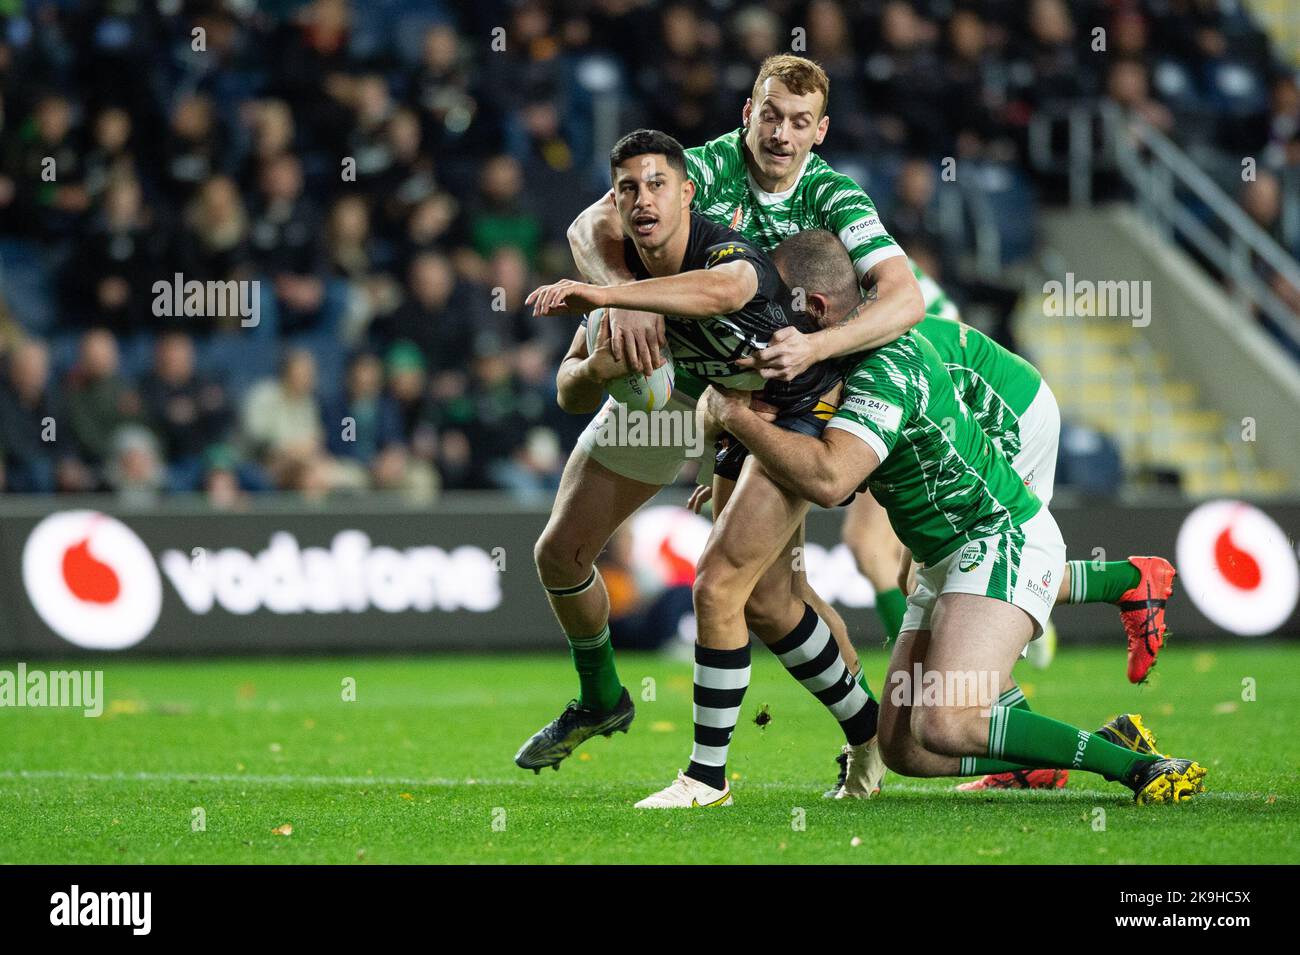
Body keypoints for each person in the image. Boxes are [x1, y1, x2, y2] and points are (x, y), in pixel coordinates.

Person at [695, 231, 1206, 806]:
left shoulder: (885, 364)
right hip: (949, 550)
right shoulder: (837, 355)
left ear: (813, 308)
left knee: (945, 720)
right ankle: (1062, 735)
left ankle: (1137, 765)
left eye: (771, 303)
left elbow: (832, 478)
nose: (762, 319)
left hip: (997, 529)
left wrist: (733, 419)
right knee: (904, 749)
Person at [515, 131, 879, 799]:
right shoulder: (618, 269)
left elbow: (725, 290)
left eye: (658, 185)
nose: (643, 200)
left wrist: (615, 300)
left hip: (790, 404)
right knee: (564, 555)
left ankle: (709, 777)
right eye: (628, 189)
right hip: (713, 405)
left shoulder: (722, 252)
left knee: (731, 589)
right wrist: (599, 360)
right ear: (615, 203)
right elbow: (568, 389)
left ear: (687, 192)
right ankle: (870, 733)